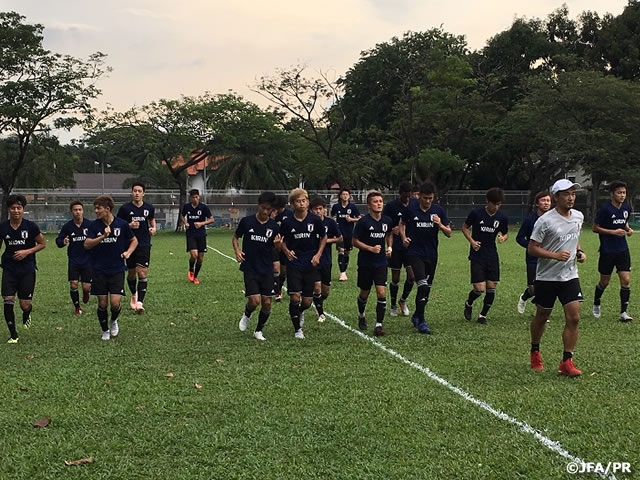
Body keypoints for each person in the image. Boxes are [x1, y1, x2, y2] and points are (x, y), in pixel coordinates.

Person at [528, 179, 586, 377]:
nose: (571, 198)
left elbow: (575, 238)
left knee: (574, 317)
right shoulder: (545, 221)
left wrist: (579, 252)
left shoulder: (578, 216)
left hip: (570, 275)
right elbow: (532, 248)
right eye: (566, 194)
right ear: (556, 197)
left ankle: (567, 361)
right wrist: (555, 255)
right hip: (547, 277)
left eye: (573, 194)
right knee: (542, 316)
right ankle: (535, 350)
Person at [84, 195, 138, 341]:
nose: (96, 211)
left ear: (107, 209)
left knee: (115, 304)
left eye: (98, 208)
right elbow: (87, 244)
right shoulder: (94, 226)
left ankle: (113, 321)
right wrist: (102, 236)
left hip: (117, 269)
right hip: (99, 269)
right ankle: (105, 330)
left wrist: (128, 252)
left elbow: (134, 240)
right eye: (95, 208)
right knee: (102, 303)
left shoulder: (122, 224)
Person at [401, 181, 452, 334]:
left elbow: (449, 233)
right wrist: (404, 237)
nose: (428, 201)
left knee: (426, 290)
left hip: (431, 254)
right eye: (425, 198)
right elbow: (402, 224)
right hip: (415, 253)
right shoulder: (411, 209)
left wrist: (440, 225)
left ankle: (417, 315)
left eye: (430, 198)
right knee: (422, 285)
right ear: (420, 196)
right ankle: (422, 321)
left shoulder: (438, 211)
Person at [279, 188, 327, 339]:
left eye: (304, 200)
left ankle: (299, 311)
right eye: (298, 201)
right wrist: (286, 251)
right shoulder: (287, 222)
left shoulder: (315, 220)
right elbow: (281, 240)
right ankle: (297, 329)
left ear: (307, 202)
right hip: (294, 263)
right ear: (292, 204)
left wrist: (318, 255)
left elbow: (323, 237)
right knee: (295, 297)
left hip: (310, 263)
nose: (301, 203)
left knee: (307, 301)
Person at [233, 191, 280, 341]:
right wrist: (237, 251)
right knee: (254, 301)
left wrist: (278, 246)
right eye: (263, 208)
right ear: (258, 205)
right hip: (250, 267)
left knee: (267, 302)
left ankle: (259, 330)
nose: (265, 212)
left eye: (268, 209)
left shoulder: (274, 226)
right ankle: (247, 314)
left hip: (267, 268)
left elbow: (277, 250)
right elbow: (236, 237)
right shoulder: (247, 221)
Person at [0, 194, 46, 343]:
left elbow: (42, 244)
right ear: (8, 209)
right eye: (13, 208)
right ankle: (13, 335)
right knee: (8, 300)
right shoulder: (3, 227)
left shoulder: (31, 227)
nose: (16, 211)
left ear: (23, 209)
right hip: (9, 269)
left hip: (27, 269)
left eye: (19, 208)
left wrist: (27, 252)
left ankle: (27, 313)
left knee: (24, 304)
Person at [462, 187, 509, 325]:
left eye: (499, 204)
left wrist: (503, 238)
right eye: (494, 204)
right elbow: (464, 227)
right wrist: (472, 241)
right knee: (479, 289)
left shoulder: (502, 217)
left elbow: (505, 233)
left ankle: (482, 315)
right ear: (487, 201)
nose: (496, 207)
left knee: (491, 288)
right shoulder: (476, 213)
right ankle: (469, 303)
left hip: (492, 255)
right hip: (477, 255)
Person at [592, 181, 634, 322]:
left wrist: (628, 229)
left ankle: (623, 312)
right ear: (612, 194)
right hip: (607, 250)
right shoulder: (605, 209)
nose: (622, 195)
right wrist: (613, 232)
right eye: (619, 192)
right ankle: (596, 302)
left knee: (626, 280)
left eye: (624, 193)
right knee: (604, 282)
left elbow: (624, 222)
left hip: (622, 249)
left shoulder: (627, 208)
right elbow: (595, 228)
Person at [353, 191, 393, 336]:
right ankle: (361, 314)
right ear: (369, 205)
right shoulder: (363, 222)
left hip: (381, 262)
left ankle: (378, 325)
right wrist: (370, 248)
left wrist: (389, 247)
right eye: (375, 202)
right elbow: (354, 241)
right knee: (364, 293)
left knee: (381, 292)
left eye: (380, 201)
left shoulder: (387, 220)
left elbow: (389, 234)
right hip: (365, 263)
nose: (379, 204)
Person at [117, 182, 156, 312]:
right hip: (129, 244)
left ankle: (140, 303)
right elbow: (118, 224)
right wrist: (129, 225)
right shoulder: (125, 209)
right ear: (131, 193)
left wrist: (153, 228)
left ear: (143, 193)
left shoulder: (149, 208)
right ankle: (134, 294)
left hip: (144, 244)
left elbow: (151, 219)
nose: (137, 193)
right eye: (135, 191)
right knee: (131, 273)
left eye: (139, 191)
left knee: (142, 272)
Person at [516, 191, 552, 314]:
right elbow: (519, 238)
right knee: (533, 288)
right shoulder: (530, 220)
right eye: (543, 200)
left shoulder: (554, 219)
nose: (546, 203)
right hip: (533, 258)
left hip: (549, 258)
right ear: (537, 204)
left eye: (548, 200)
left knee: (545, 287)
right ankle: (524, 297)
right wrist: (532, 247)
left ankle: (540, 314)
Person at [382, 181, 415, 317]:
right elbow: (386, 226)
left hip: (410, 245)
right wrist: (392, 230)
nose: (407, 198)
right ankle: (393, 305)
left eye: (409, 196)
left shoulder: (414, 204)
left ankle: (403, 300)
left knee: (412, 276)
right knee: (395, 278)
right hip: (396, 245)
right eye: (405, 196)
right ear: (400, 193)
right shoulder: (391, 206)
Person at [56, 201, 93, 316]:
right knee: (73, 284)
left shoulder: (90, 225)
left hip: (88, 260)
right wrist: (63, 241)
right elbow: (58, 241)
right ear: (71, 212)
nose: (78, 212)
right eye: (75, 210)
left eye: (80, 210)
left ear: (83, 211)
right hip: (74, 260)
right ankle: (77, 307)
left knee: (86, 287)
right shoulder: (67, 226)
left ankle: (86, 293)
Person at [310, 197, 342, 322]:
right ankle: (321, 313)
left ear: (325, 210)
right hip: (313, 259)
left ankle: (317, 301)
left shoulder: (330, 223)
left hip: (326, 260)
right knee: (317, 287)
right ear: (311, 210)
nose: (318, 211)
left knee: (325, 291)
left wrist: (326, 240)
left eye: (320, 209)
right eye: (315, 209)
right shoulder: (309, 222)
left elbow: (339, 238)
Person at [180, 189, 214, 284]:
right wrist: (185, 223)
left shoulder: (204, 207)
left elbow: (211, 219)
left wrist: (201, 223)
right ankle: (191, 268)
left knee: (200, 258)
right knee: (194, 255)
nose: (195, 199)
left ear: (199, 197)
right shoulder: (187, 207)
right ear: (190, 198)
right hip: (191, 234)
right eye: (193, 197)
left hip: (201, 234)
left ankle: (195, 276)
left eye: (196, 197)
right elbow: (182, 216)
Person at [331, 188, 361, 281]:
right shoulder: (336, 206)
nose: (345, 196)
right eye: (343, 194)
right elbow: (331, 217)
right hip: (339, 232)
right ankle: (342, 273)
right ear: (340, 196)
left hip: (349, 233)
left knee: (347, 252)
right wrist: (334, 226)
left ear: (349, 196)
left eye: (347, 194)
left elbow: (359, 218)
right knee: (341, 250)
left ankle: (344, 271)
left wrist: (352, 219)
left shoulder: (352, 207)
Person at [271, 195, 293, 301]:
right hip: (273, 245)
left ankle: (281, 288)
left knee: (283, 271)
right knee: (275, 267)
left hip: (286, 245)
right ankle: (276, 291)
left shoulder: (289, 215)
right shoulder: (272, 214)